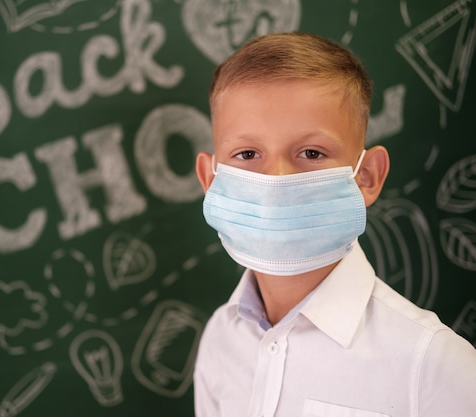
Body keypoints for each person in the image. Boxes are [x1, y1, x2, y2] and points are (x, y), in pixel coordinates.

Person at [193, 32, 476, 417]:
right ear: (211, 179)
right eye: (247, 153)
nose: (277, 180)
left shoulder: (434, 365)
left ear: (367, 177)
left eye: (311, 152)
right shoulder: (220, 340)